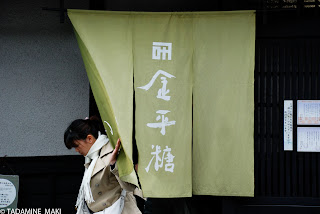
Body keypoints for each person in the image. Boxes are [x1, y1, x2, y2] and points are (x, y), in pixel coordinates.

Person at [64, 116, 142, 214]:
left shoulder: (111, 151)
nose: (76, 150)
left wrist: (114, 164)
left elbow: (129, 186)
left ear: (89, 138)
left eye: (76, 145)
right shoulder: (91, 157)